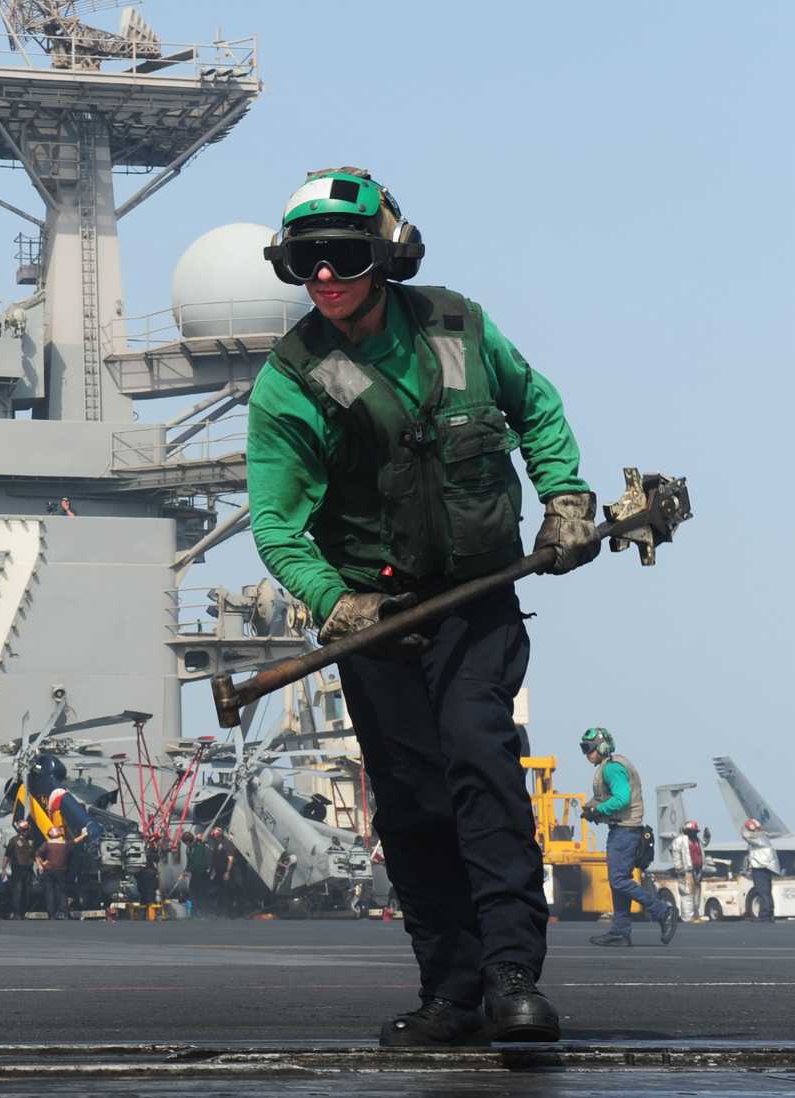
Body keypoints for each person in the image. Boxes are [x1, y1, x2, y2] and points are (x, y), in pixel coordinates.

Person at [248, 167, 605, 1045]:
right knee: (411, 800)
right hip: (376, 617)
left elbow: (537, 407)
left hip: (475, 605)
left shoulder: (459, 328)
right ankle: (452, 990)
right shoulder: (290, 383)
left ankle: (514, 975)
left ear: (387, 254)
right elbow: (276, 525)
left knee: (481, 762)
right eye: (305, 264)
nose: (323, 278)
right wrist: (338, 603)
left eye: (340, 257)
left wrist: (565, 499)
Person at [581, 728, 680, 947]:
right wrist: (591, 809)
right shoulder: (610, 766)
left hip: (625, 832)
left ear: (602, 747)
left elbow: (622, 799)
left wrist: (598, 811)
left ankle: (664, 912)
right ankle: (620, 930)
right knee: (619, 882)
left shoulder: (612, 769)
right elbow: (606, 798)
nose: (586, 753)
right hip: (624, 830)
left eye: (588, 748)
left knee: (618, 880)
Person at [669, 820, 705, 923]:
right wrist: (679, 868)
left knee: (697, 894)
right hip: (686, 871)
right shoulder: (680, 840)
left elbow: (704, 846)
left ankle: (695, 915)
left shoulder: (697, 841)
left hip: (697, 870)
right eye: (691, 831)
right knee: (687, 894)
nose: (693, 833)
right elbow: (675, 854)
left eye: (694, 831)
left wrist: (707, 837)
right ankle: (688, 917)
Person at [743, 818, 778, 923]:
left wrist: (746, 827)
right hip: (765, 868)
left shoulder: (757, 838)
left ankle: (764, 915)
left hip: (760, 868)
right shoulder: (763, 837)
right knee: (766, 892)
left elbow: (745, 835)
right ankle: (769, 914)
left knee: (762, 892)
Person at [4, 818, 38, 919]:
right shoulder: (13, 841)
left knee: (27, 891)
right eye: (24, 830)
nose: (26, 831)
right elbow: (7, 856)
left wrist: (40, 864)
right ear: (19, 830)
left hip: (28, 869)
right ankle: (17, 913)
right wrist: (3, 869)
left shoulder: (31, 840)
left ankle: (24, 911)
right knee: (17, 891)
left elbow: (35, 855)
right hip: (18, 869)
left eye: (27, 829)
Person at [37, 824, 71, 919]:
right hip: (61, 871)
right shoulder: (65, 844)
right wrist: (83, 835)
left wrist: (41, 864)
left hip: (48, 870)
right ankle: (65, 914)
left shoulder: (47, 844)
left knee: (49, 892)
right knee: (62, 893)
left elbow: (37, 854)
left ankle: (51, 915)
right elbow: (74, 843)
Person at [183, 829, 211, 918]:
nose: (185, 844)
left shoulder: (199, 846)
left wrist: (189, 870)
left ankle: (204, 913)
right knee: (193, 893)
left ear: (188, 841)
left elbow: (197, 863)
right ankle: (194, 913)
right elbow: (190, 861)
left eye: (185, 842)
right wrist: (185, 870)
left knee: (202, 894)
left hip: (202, 873)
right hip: (194, 875)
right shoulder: (188, 849)